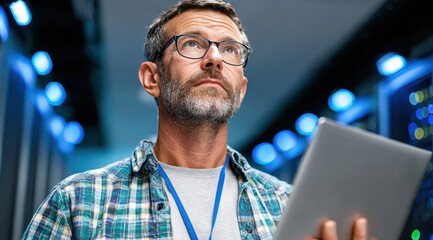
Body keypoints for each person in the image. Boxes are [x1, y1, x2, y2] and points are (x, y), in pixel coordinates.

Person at [23, 0, 368, 239]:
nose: (215, 58)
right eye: (192, 44)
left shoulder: (290, 207)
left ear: (241, 89)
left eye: (230, 49)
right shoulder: (79, 201)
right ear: (151, 78)